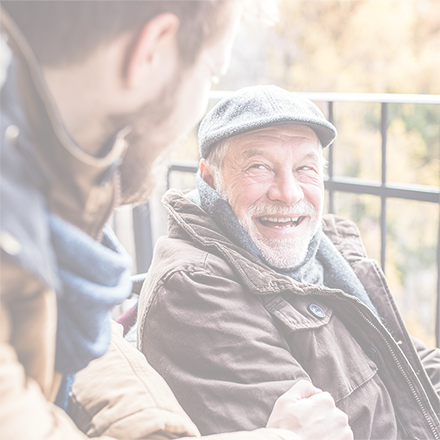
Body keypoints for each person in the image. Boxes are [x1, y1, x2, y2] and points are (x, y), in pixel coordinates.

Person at [0, 2, 345, 439]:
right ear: (150, 53)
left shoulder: (40, 181)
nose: (288, 192)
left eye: (306, 169)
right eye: (212, 74)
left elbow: (83, 351)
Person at [138, 84, 440, 440]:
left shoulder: (324, 248)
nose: (289, 193)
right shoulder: (195, 289)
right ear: (209, 178)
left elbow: (405, 360)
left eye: (305, 168)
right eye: (260, 167)